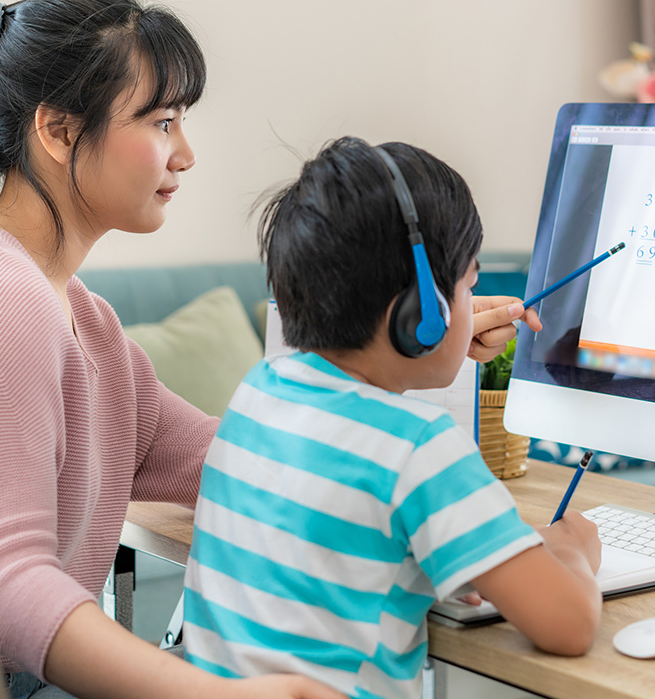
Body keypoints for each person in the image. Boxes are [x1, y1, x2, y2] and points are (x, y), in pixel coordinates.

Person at [0, 0, 533, 699]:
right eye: (164, 121)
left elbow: (250, 460)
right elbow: (7, 588)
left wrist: (418, 344)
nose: (187, 154)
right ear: (57, 132)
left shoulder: (80, 319)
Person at [182, 137, 602, 699]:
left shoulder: (258, 391)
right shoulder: (421, 449)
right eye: (470, 285)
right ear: (421, 314)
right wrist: (571, 548)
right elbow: (569, 625)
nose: (473, 303)